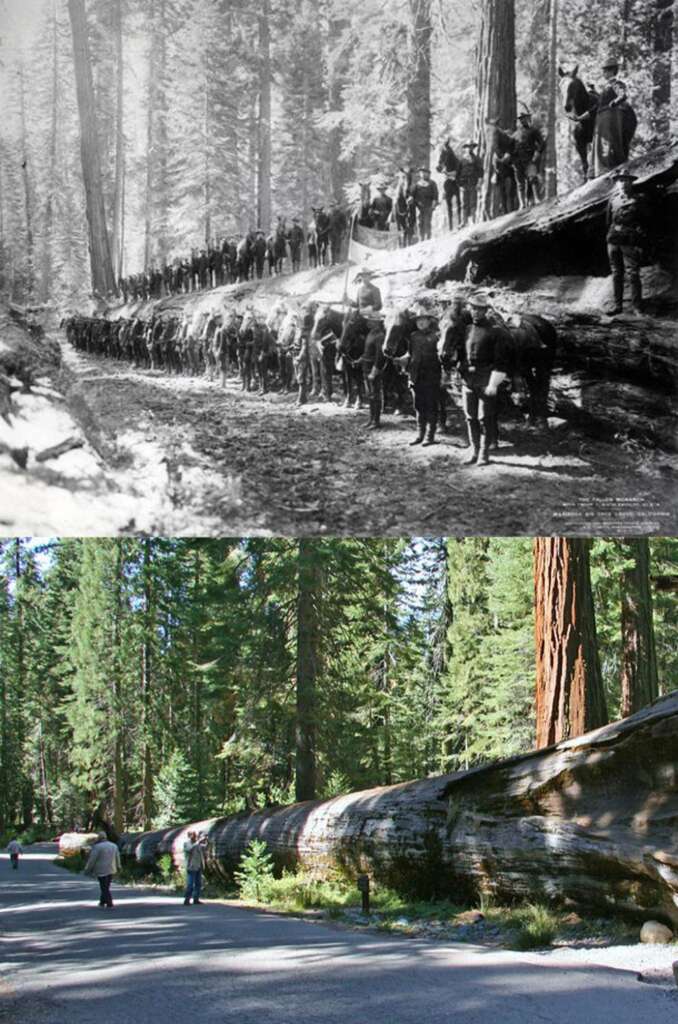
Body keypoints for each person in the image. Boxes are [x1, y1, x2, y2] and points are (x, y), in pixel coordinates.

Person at [452, 293, 513, 466]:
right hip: (468, 381)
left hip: (486, 381)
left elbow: (501, 360)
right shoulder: (467, 329)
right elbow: (462, 355)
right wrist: (460, 368)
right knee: (470, 417)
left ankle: (484, 454)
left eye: (480, 309)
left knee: (485, 418)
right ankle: (474, 450)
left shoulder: (496, 331)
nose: (476, 312)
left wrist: (494, 383)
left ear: (486, 311)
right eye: (473, 308)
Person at [399, 304, 442, 447]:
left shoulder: (436, 336)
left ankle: (430, 436)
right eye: (418, 321)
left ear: (429, 321)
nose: (421, 323)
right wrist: (403, 360)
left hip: (431, 376)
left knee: (431, 406)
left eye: (423, 320)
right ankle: (420, 435)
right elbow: (409, 353)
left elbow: (441, 355)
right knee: (418, 406)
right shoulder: (413, 336)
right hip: (415, 376)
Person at [606, 170, 648, 315]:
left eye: (626, 180)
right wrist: (610, 236)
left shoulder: (638, 199)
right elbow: (608, 221)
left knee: (633, 274)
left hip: (629, 240)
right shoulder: (612, 200)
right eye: (620, 181)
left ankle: (637, 308)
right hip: (613, 240)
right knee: (616, 273)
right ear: (617, 183)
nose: (622, 184)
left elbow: (645, 222)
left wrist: (639, 242)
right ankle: (618, 306)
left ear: (631, 182)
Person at [511, 112, 545, 208]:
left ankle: (537, 199)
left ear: (528, 119)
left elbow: (542, 143)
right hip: (518, 161)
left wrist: (537, 153)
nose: (523, 120)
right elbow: (510, 148)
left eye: (525, 118)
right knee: (520, 183)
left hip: (529, 159)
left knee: (532, 178)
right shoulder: (515, 134)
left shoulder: (533, 131)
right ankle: (522, 204)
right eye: (521, 119)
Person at [360, 310, 386, 430]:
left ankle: (376, 421)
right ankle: (371, 419)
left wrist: (374, 371)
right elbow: (368, 351)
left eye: (371, 320)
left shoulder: (380, 335)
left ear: (376, 322)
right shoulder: (371, 333)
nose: (368, 322)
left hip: (372, 369)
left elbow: (379, 356)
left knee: (375, 395)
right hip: (366, 367)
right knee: (370, 395)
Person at [84, 832, 121, 908]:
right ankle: (102, 901)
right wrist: (119, 866)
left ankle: (109, 902)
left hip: (101, 870)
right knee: (106, 886)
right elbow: (117, 857)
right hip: (111, 869)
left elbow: (92, 859)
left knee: (104, 887)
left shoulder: (97, 847)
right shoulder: (114, 846)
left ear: (99, 838)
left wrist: (88, 869)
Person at [457, 142, 483, 226]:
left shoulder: (477, 159)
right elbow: (458, 173)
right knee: (464, 203)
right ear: (465, 148)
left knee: (473, 202)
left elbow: (480, 172)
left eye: (471, 147)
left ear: (473, 148)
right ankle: (464, 221)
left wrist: (479, 183)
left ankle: (473, 220)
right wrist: (460, 185)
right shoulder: (461, 160)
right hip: (464, 184)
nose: (469, 148)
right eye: (467, 147)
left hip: (473, 183)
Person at [410, 168, 439, 241]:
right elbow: (412, 194)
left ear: (428, 174)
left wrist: (434, 203)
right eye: (421, 173)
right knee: (420, 222)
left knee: (427, 222)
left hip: (428, 205)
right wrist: (410, 198)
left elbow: (435, 194)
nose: (423, 174)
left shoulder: (432, 183)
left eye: (425, 172)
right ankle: (421, 238)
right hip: (419, 206)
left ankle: (428, 238)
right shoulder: (417, 184)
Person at [183, 830, 208, 906]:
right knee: (190, 884)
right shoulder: (186, 843)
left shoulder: (197, 844)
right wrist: (198, 842)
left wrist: (206, 840)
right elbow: (189, 849)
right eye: (192, 835)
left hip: (198, 866)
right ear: (189, 836)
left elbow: (204, 848)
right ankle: (187, 900)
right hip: (191, 866)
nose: (194, 836)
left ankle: (196, 899)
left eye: (195, 835)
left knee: (198, 884)